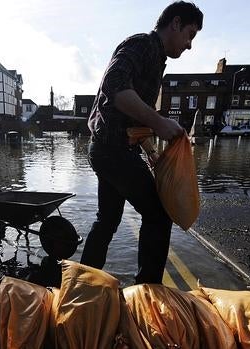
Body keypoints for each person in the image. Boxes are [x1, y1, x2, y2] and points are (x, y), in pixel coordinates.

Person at [80, 1, 203, 284]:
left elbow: (131, 114)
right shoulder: (142, 45)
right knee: (159, 214)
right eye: (190, 34)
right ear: (175, 23)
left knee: (107, 220)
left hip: (108, 148)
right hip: (112, 150)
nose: (189, 45)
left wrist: (150, 150)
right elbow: (115, 86)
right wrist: (159, 123)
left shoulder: (157, 58)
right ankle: (149, 292)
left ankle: (84, 283)